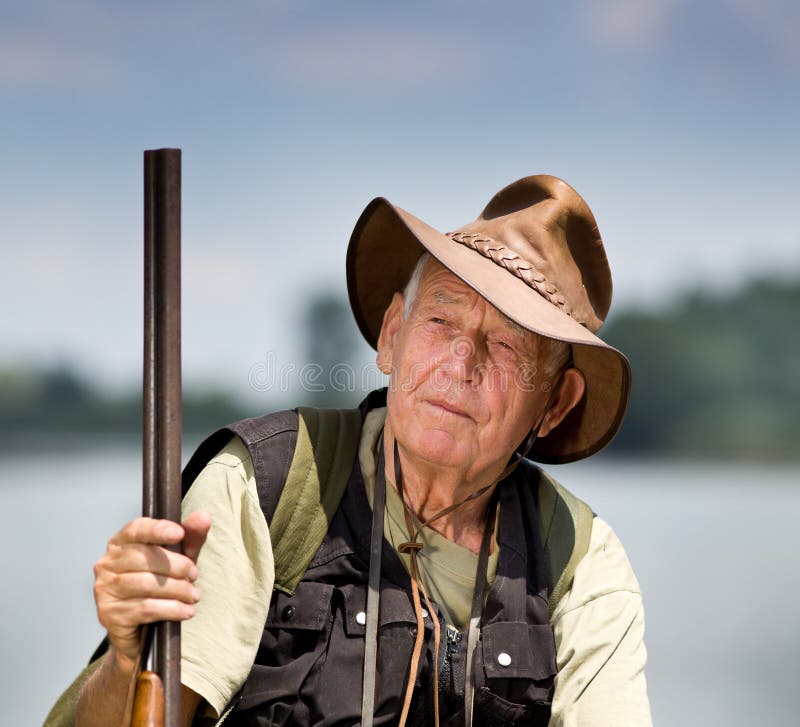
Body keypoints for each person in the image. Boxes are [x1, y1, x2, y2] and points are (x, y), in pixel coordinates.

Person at [72, 175, 651, 726]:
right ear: (393, 334)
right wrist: (129, 660)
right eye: (441, 320)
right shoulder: (262, 484)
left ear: (555, 403)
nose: (460, 364)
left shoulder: (581, 560)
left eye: (505, 345)